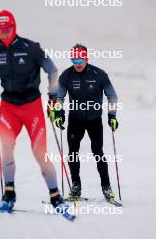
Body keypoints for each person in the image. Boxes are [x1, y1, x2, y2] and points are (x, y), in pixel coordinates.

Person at [0, 10, 67, 211]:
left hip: (31, 107)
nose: (4, 34)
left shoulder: (30, 48)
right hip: (8, 107)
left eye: (7, 29)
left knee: (39, 152)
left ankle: (56, 197)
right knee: (6, 149)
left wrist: (53, 97)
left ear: (14, 27)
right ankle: (8, 196)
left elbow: (52, 69)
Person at [51, 43, 119, 202]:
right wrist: (59, 113)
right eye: (74, 59)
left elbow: (112, 96)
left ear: (86, 58)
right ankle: (76, 187)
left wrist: (112, 115)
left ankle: (107, 187)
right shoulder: (66, 76)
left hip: (95, 120)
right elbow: (59, 97)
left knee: (98, 152)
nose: (77, 63)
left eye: (80, 58)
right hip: (76, 120)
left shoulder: (99, 74)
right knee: (73, 153)